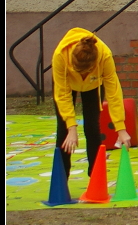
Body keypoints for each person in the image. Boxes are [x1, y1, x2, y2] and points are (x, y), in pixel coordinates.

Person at [52, 28, 132, 178]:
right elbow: (62, 94)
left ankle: (96, 176)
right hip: (66, 84)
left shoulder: (105, 56)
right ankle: (62, 179)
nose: (82, 75)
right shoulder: (60, 55)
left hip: (93, 85)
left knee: (92, 126)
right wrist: (72, 127)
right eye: (79, 71)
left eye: (86, 71)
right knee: (63, 129)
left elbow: (114, 93)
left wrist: (121, 129)